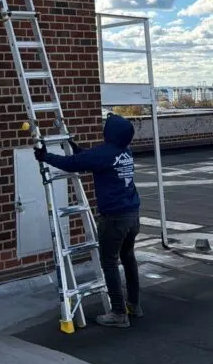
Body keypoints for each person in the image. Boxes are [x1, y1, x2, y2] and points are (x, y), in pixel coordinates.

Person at [34, 113, 142, 328]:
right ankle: (134, 305)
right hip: (132, 215)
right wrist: (76, 147)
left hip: (114, 218)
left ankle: (119, 313)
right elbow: (90, 158)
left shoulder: (104, 153)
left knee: (109, 262)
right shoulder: (124, 152)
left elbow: (73, 164)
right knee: (128, 257)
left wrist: (45, 157)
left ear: (110, 133)